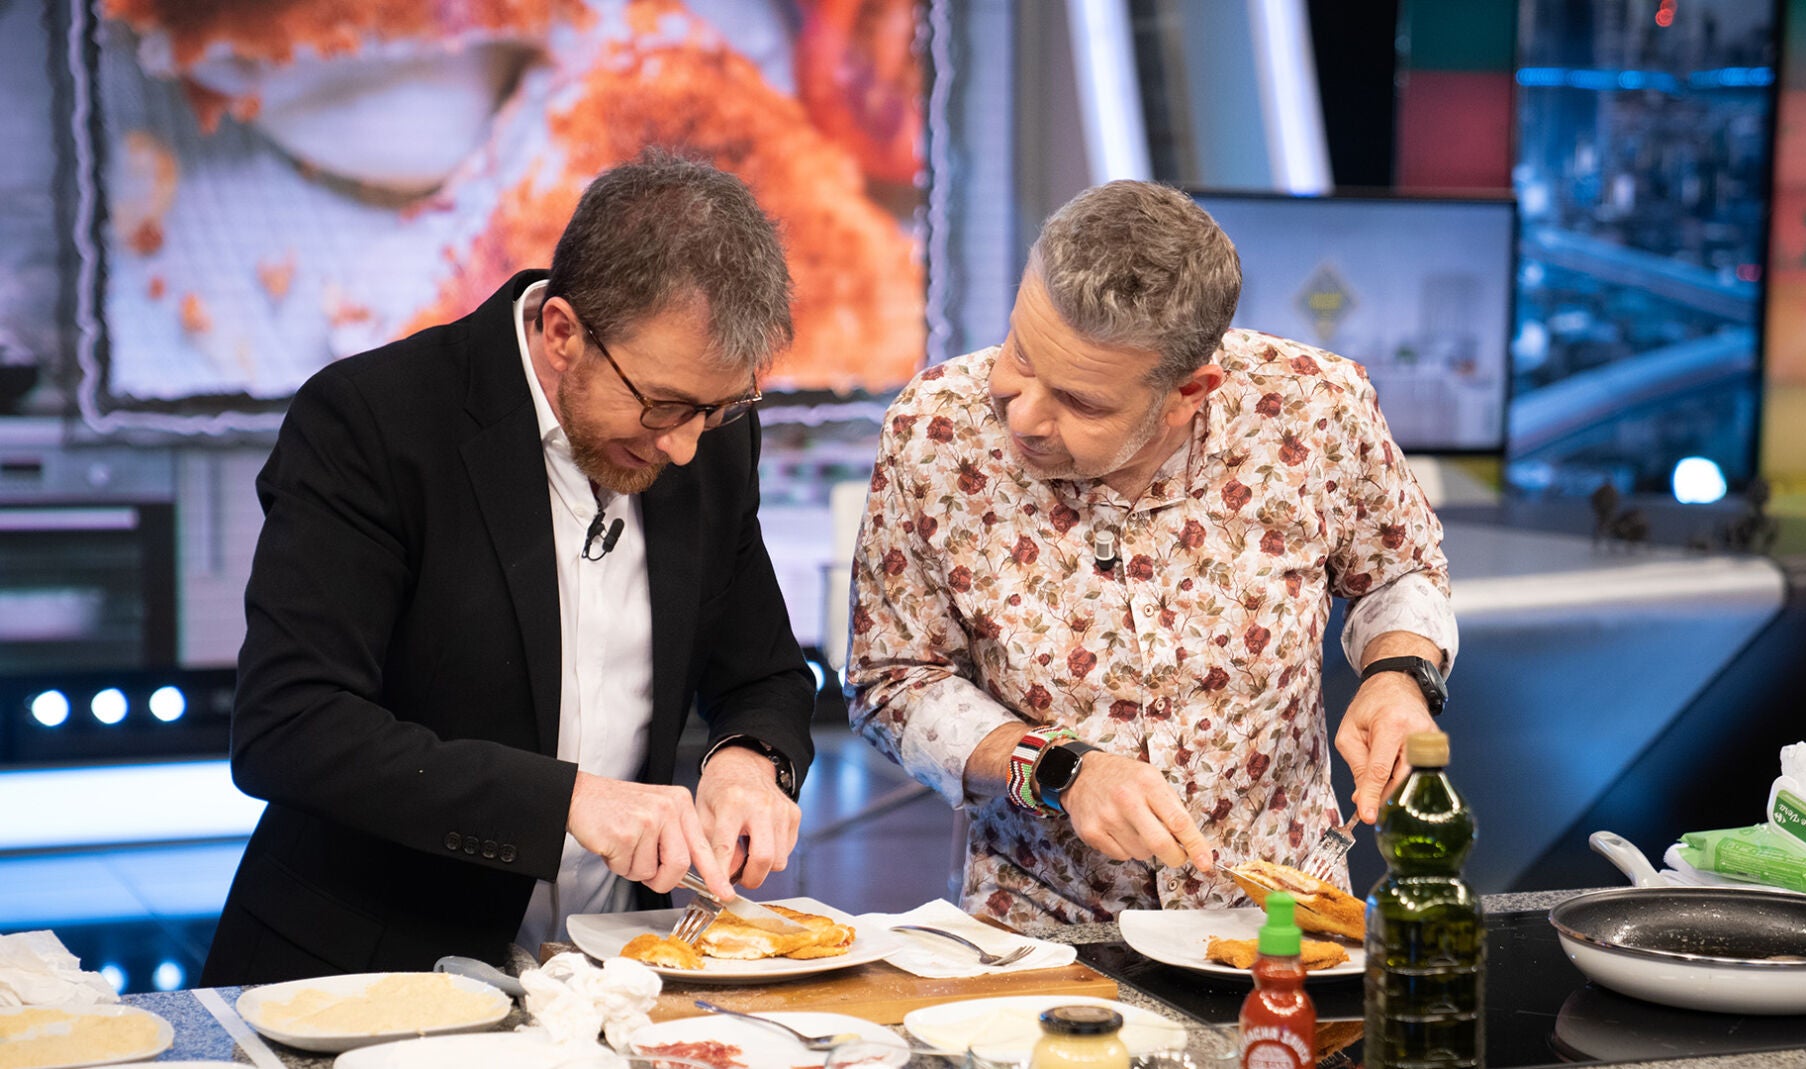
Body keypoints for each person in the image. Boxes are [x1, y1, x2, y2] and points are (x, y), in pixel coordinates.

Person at [201, 152, 816, 984]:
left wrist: (748, 757)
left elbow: (765, 672)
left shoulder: (704, 438)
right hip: (374, 973)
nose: (682, 445)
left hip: (615, 971)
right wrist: (568, 800)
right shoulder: (373, 423)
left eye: (717, 408)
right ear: (562, 332)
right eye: (662, 405)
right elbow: (290, 726)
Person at [847, 180, 1458, 926]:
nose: (1024, 414)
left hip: (1280, 919)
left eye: (1081, 401)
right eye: (1020, 353)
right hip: (1044, 924)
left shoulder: (1315, 407)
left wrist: (1400, 674)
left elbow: (1399, 569)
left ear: (1189, 391)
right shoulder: (933, 433)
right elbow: (894, 680)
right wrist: (1058, 768)